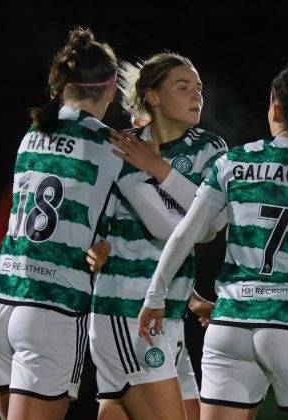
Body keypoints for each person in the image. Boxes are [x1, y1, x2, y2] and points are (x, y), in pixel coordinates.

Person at [0, 28, 183, 420]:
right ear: (110, 90)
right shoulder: (112, 145)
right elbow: (168, 226)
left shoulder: (33, 133)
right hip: (49, 306)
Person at [138, 54, 288, 420]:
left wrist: (154, 297)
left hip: (232, 323)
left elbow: (186, 233)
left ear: (275, 105)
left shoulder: (233, 162)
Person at [88, 53, 228, 420]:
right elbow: (171, 228)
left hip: (170, 314)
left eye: (199, 88)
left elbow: (211, 222)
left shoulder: (210, 148)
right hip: (126, 309)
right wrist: (95, 245)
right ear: (152, 96)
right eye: (183, 87)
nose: (196, 95)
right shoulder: (123, 147)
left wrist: (159, 169)